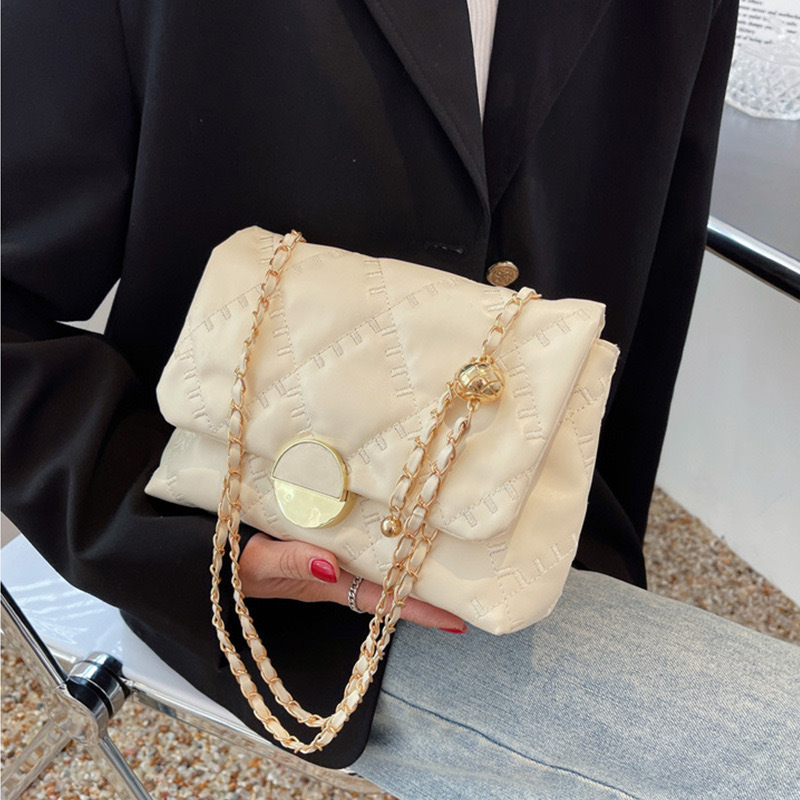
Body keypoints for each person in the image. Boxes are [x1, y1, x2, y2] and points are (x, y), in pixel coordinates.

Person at [3, 1, 798, 797]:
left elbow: (651, 269)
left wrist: (608, 538)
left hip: (531, 541)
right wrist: (148, 531)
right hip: (246, 566)